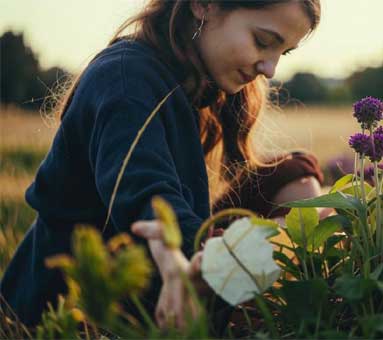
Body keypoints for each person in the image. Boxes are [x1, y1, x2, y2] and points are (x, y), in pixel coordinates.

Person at [0, 0, 324, 329]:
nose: (270, 69)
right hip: (78, 303)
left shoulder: (195, 82)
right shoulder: (124, 80)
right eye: (263, 42)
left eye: (282, 53)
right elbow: (146, 197)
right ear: (203, 6)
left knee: (294, 174)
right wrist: (184, 258)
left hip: (168, 256)